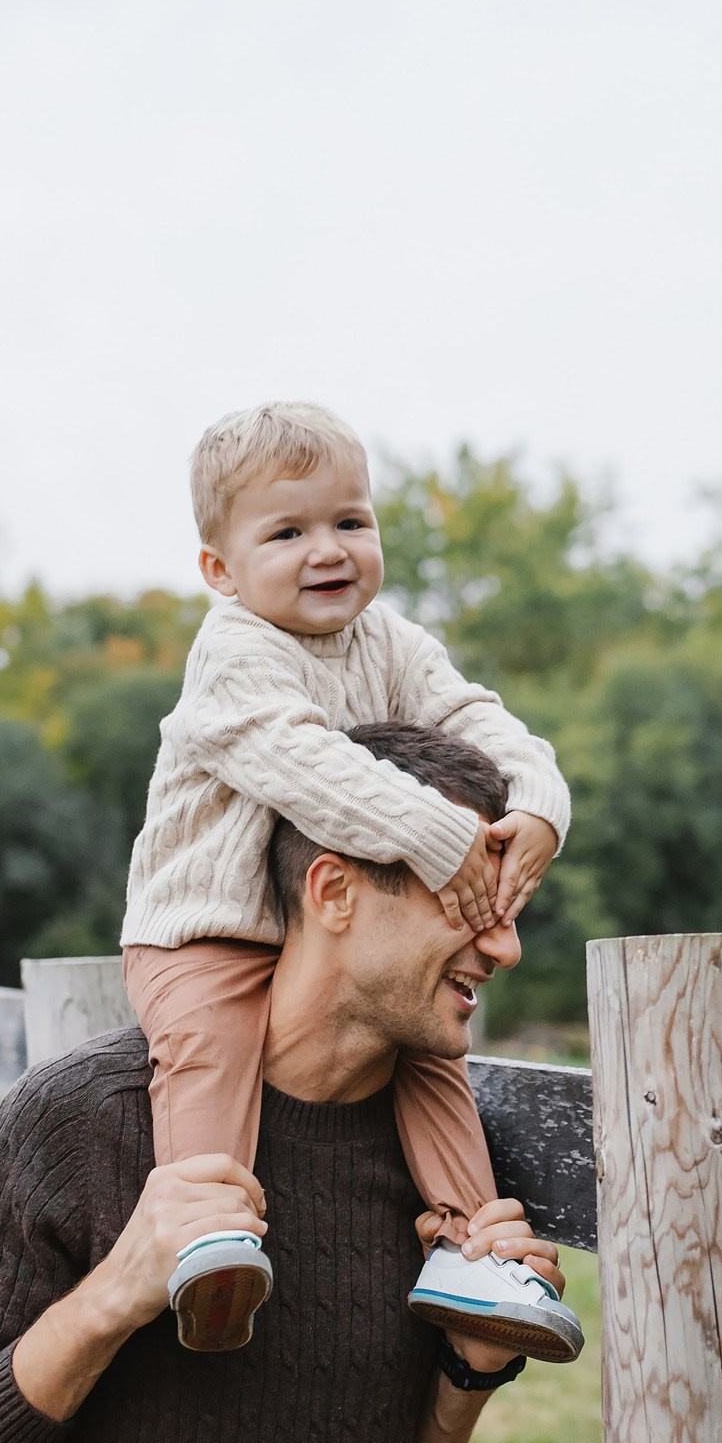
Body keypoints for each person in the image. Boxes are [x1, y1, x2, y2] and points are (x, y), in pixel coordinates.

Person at [0, 722, 566, 1443]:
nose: (504, 947)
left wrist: (469, 1374)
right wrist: (115, 1291)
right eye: (470, 900)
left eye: (510, 911)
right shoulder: (81, 1122)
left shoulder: (443, 1183)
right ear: (336, 890)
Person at [119, 401, 580, 1361]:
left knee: (431, 1061)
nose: (326, 549)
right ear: (221, 570)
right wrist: (439, 835)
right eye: (286, 532)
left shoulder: (395, 644)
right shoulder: (235, 654)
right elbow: (301, 764)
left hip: (315, 931)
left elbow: (475, 717)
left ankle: (466, 1247)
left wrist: (536, 801)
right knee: (208, 1052)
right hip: (200, 925)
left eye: (350, 521)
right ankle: (207, 1237)